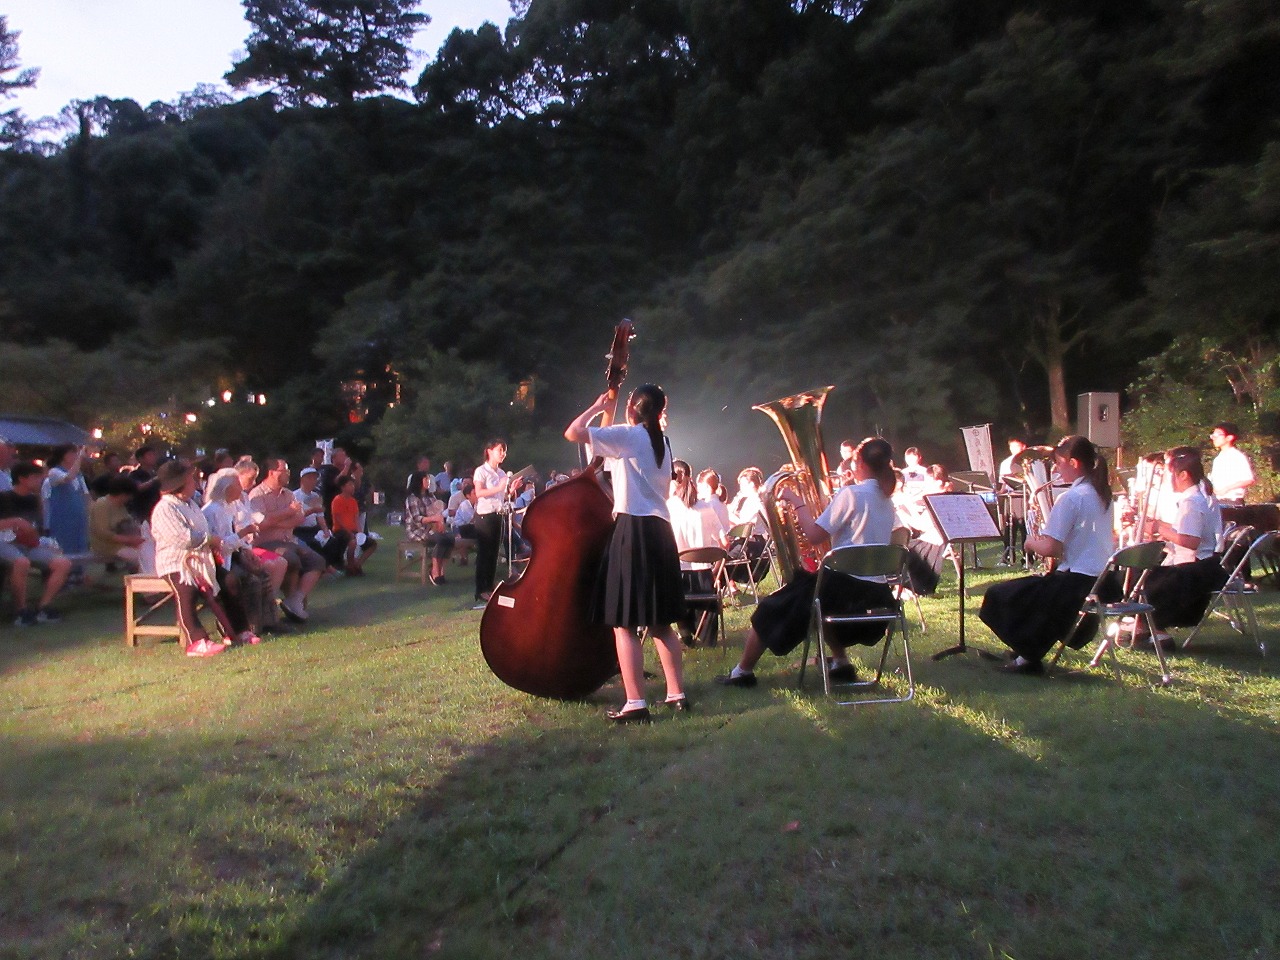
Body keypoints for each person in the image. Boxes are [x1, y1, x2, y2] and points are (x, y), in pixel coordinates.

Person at [717, 437, 898, 688]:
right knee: (814, 593)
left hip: (843, 595)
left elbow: (813, 536)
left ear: (860, 463)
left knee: (773, 605)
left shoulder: (851, 494)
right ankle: (841, 663)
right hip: (878, 599)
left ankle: (742, 672)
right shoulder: (887, 500)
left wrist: (796, 501)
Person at [565, 384, 688, 722]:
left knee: (624, 623)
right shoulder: (662, 441)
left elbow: (573, 432)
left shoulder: (628, 436)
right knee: (661, 622)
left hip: (633, 531)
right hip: (661, 532)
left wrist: (596, 405)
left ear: (633, 407)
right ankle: (677, 693)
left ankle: (636, 702)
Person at [978, 435, 1116, 674]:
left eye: (1059, 463)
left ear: (1073, 463)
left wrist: (1030, 542)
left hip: (1075, 584)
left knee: (1000, 595)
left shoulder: (1071, 497)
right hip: (1101, 581)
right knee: (1028, 593)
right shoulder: (1102, 494)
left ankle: (1028, 655)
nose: (1055, 469)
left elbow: (1052, 548)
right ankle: (1026, 651)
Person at [150, 459, 246, 657]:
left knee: (229, 581)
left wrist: (211, 543)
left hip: (201, 560)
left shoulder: (191, 504)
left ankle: (237, 630)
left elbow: (201, 531)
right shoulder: (165, 508)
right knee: (187, 590)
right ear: (180, 483)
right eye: (190, 478)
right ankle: (197, 641)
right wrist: (210, 540)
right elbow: (181, 538)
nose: (195, 481)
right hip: (176, 563)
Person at [1134, 446, 1226, 647]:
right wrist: (1156, 524)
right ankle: (1144, 629)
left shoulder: (1191, 501)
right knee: (1144, 574)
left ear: (1183, 475)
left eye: (1170, 475)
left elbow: (1190, 541)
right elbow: (1183, 529)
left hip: (1193, 570)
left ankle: (1151, 630)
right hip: (1199, 565)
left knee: (1139, 577)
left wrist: (1159, 528)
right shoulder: (1193, 498)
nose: (1167, 480)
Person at [1, 462, 73, 625]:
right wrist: (15, 521)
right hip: (5, 543)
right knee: (21, 562)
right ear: (22, 479)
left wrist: (41, 540)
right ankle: (21, 610)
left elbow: (35, 528)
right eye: (36, 478)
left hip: (28, 543)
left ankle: (44, 607)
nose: (40, 481)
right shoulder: (4, 497)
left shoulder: (34, 499)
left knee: (63, 563)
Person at [472, 439, 513, 608]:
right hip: (485, 516)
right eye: (500, 450)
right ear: (489, 451)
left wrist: (510, 489)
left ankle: (490, 586)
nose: (503, 454)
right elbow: (479, 492)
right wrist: (499, 488)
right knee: (484, 553)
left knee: (494, 553)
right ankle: (481, 589)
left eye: (504, 451)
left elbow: (501, 496)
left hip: (499, 515)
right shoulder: (481, 471)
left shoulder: (502, 474)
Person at [404, 472, 455, 585]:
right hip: (417, 530)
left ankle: (441, 570)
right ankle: (434, 571)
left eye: (428, 480)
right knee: (441, 540)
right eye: (425, 480)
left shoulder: (430, 496)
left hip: (432, 528)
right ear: (419, 482)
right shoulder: (412, 498)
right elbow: (417, 518)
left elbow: (438, 511)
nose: (428, 482)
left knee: (450, 538)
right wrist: (435, 518)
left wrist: (440, 520)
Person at [88, 474, 144, 571]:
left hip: (123, 543)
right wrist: (128, 540)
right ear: (123, 494)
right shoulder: (102, 505)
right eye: (129, 496)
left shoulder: (120, 506)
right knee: (141, 558)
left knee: (148, 552)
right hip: (107, 546)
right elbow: (102, 532)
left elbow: (129, 521)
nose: (130, 498)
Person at [42, 444, 90, 555]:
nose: (75, 456)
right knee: (64, 546)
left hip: (78, 517)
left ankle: (80, 571)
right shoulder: (54, 472)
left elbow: (85, 495)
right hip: (63, 518)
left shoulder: (79, 475)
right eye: (72, 453)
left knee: (81, 545)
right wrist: (80, 458)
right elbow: (68, 477)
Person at [331, 475, 377, 574]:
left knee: (372, 544)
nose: (353, 487)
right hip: (340, 531)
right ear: (343, 487)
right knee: (352, 541)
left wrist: (360, 533)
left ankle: (358, 564)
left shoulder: (353, 501)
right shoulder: (337, 500)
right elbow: (338, 519)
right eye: (350, 485)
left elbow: (356, 518)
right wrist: (349, 532)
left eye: (353, 484)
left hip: (353, 530)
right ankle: (350, 566)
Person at [1208, 422, 1254, 505]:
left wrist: (1226, 489)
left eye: (1218, 435)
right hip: (1217, 501)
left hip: (1232, 501)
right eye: (1213, 435)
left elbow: (1248, 479)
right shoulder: (1218, 458)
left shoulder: (1236, 456)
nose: (1214, 438)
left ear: (1229, 437)